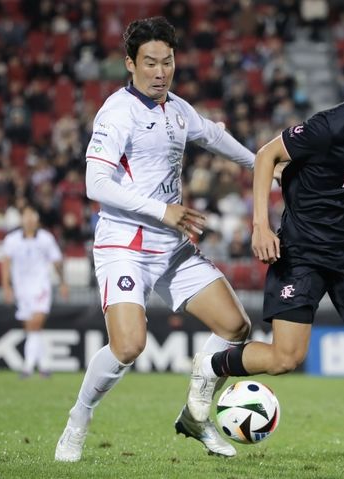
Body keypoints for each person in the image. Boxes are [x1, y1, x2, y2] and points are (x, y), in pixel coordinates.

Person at [186, 37, 344, 470]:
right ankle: (211, 365)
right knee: (286, 359)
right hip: (302, 251)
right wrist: (261, 225)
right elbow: (267, 155)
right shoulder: (334, 125)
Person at [54, 17, 257, 462]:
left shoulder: (178, 109)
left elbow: (214, 136)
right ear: (130, 64)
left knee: (236, 327)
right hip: (125, 244)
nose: (160, 71)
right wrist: (162, 209)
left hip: (171, 246)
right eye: (150, 63)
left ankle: (195, 414)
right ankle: (79, 418)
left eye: (167, 62)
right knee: (128, 345)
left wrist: (262, 165)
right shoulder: (116, 112)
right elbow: (96, 184)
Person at [1, 204, 68, 378]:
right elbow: (5, 264)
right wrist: (6, 287)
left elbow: (57, 262)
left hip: (41, 287)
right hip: (21, 289)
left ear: (37, 218)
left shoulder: (46, 238)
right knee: (31, 329)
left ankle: (27, 367)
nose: (30, 219)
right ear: (21, 218)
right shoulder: (12, 240)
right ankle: (44, 365)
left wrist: (62, 283)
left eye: (33, 215)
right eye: (26, 215)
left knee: (35, 324)